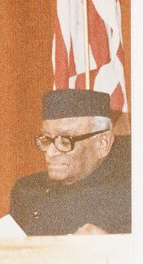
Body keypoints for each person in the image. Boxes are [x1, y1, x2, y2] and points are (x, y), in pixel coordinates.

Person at [9, 89, 130, 235]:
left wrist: (110, 245)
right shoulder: (27, 191)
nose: (50, 153)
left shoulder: (132, 194)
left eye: (66, 141)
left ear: (102, 143)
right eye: (46, 139)